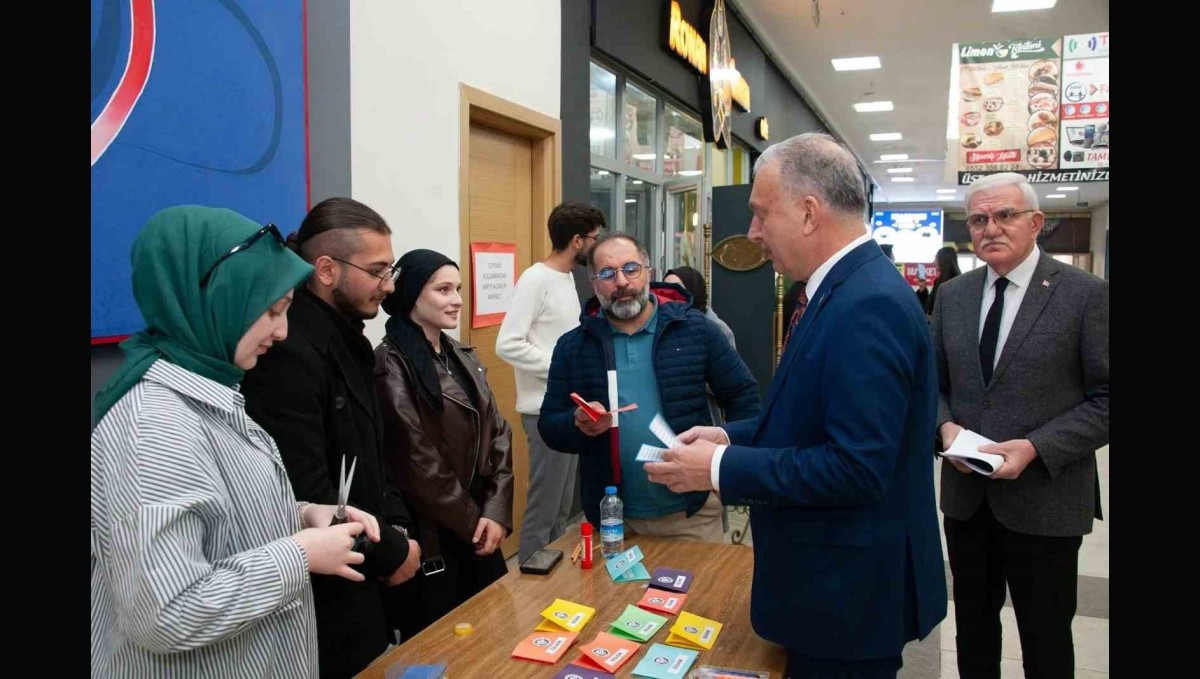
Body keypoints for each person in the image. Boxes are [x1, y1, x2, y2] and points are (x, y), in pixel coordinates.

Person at [644, 133, 946, 677]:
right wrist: (732, 438)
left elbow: (855, 468)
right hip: (831, 589)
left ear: (809, 213)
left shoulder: (867, 304)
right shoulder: (839, 290)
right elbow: (812, 417)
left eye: (762, 214)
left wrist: (716, 468)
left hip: (847, 600)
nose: (754, 232)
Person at [92, 205, 380, 677]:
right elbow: (166, 612)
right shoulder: (155, 427)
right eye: (270, 311)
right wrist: (301, 554)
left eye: (286, 310)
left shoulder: (215, 392)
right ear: (215, 299)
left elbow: (219, 528)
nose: (283, 332)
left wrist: (304, 514)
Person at [933, 172, 1109, 678]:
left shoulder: (1085, 296)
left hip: (1046, 500)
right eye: (980, 219)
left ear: (1036, 223)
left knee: (1046, 635)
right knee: (974, 628)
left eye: (1005, 215)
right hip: (968, 501)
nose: (991, 228)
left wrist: (1034, 447)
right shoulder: (954, 296)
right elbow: (933, 386)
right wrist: (946, 430)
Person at [240, 198, 421, 678]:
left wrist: (398, 530)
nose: (389, 287)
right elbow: (304, 483)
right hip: (328, 581)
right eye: (378, 271)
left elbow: (372, 455)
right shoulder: (289, 350)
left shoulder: (348, 337)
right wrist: (389, 552)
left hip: (365, 553)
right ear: (325, 269)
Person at [539, 232, 760, 542]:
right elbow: (549, 425)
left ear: (648, 273)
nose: (621, 282)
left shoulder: (696, 330)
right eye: (607, 273)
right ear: (593, 283)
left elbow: (745, 399)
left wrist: (724, 467)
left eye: (631, 269)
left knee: (698, 592)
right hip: (614, 520)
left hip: (690, 514)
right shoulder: (573, 347)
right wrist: (577, 424)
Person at [375, 249, 514, 638]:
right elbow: (418, 464)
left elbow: (499, 432)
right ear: (411, 295)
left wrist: (498, 509)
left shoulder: (461, 354)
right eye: (443, 289)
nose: (456, 299)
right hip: (438, 532)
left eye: (457, 289)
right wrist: (478, 523)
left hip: (480, 519)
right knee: (441, 649)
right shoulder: (391, 365)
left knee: (494, 634)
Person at [495, 201, 604, 564]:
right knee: (544, 510)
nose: (598, 245)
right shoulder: (535, 278)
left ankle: (553, 589)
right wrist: (560, 369)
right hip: (544, 410)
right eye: (594, 238)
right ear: (577, 240)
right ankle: (528, 584)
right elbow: (507, 343)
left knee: (560, 510)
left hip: (569, 410)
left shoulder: (566, 278)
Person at [663, 265, 736, 350]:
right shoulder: (661, 325)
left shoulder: (719, 330)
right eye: (664, 287)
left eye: (677, 287)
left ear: (693, 289)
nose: (669, 293)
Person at [926, 245, 961, 315]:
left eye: (936, 259)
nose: (933, 262)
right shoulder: (938, 281)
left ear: (943, 260)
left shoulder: (957, 283)